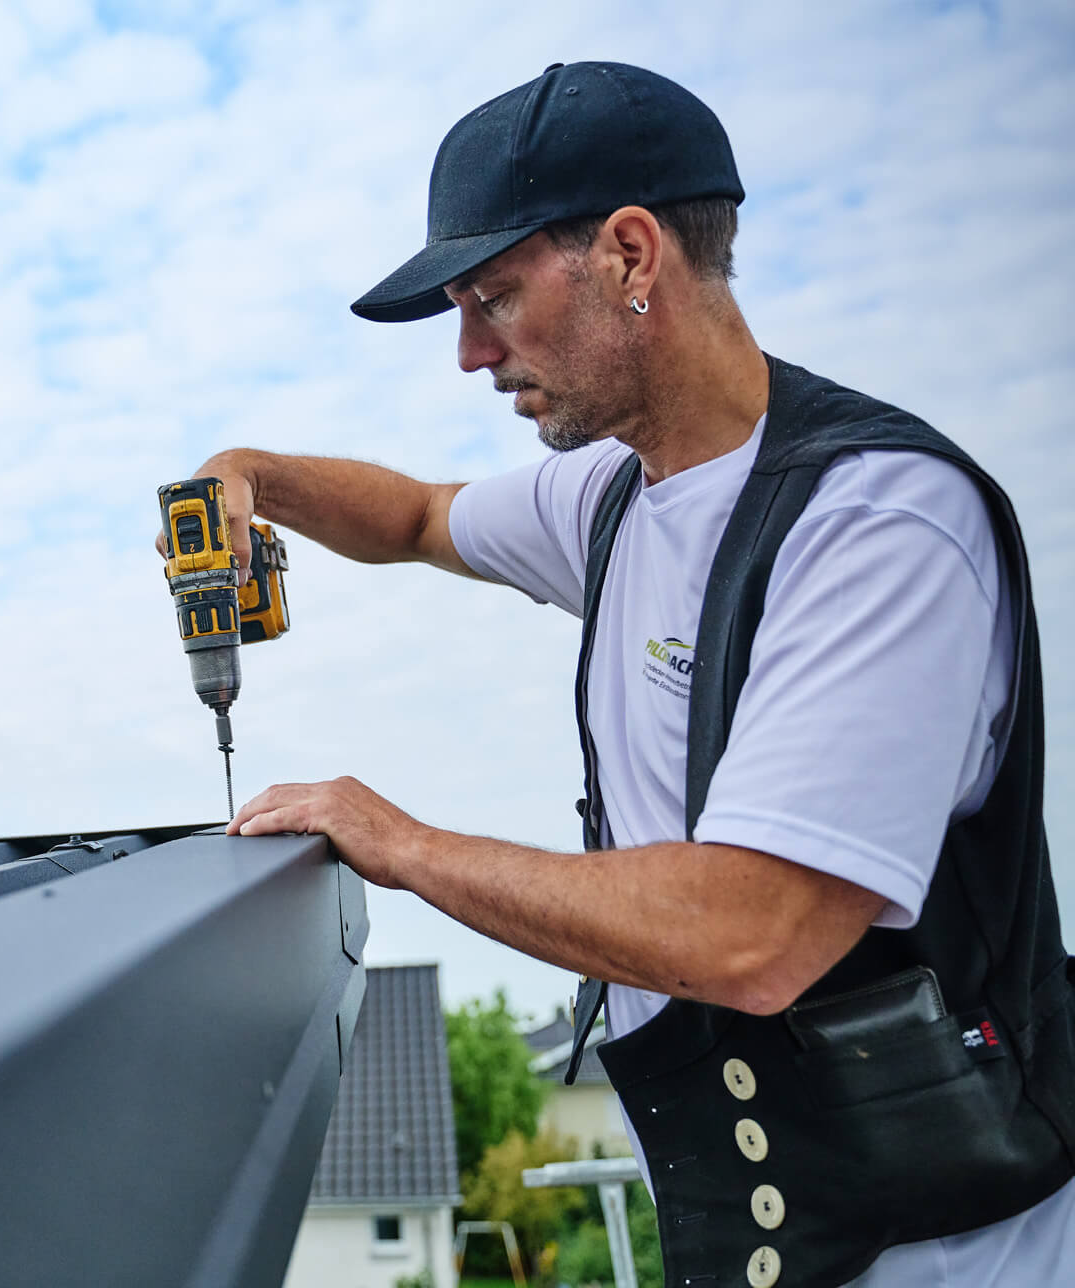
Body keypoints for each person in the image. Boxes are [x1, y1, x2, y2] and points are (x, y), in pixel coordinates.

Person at [179, 63, 1074, 1286]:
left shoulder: (877, 525)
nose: (467, 351)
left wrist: (399, 841)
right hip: (756, 1240)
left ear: (632, 256)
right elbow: (418, 516)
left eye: (493, 298)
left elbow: (753, 934)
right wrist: (249, 477)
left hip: (951, 1257)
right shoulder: (612, 494)